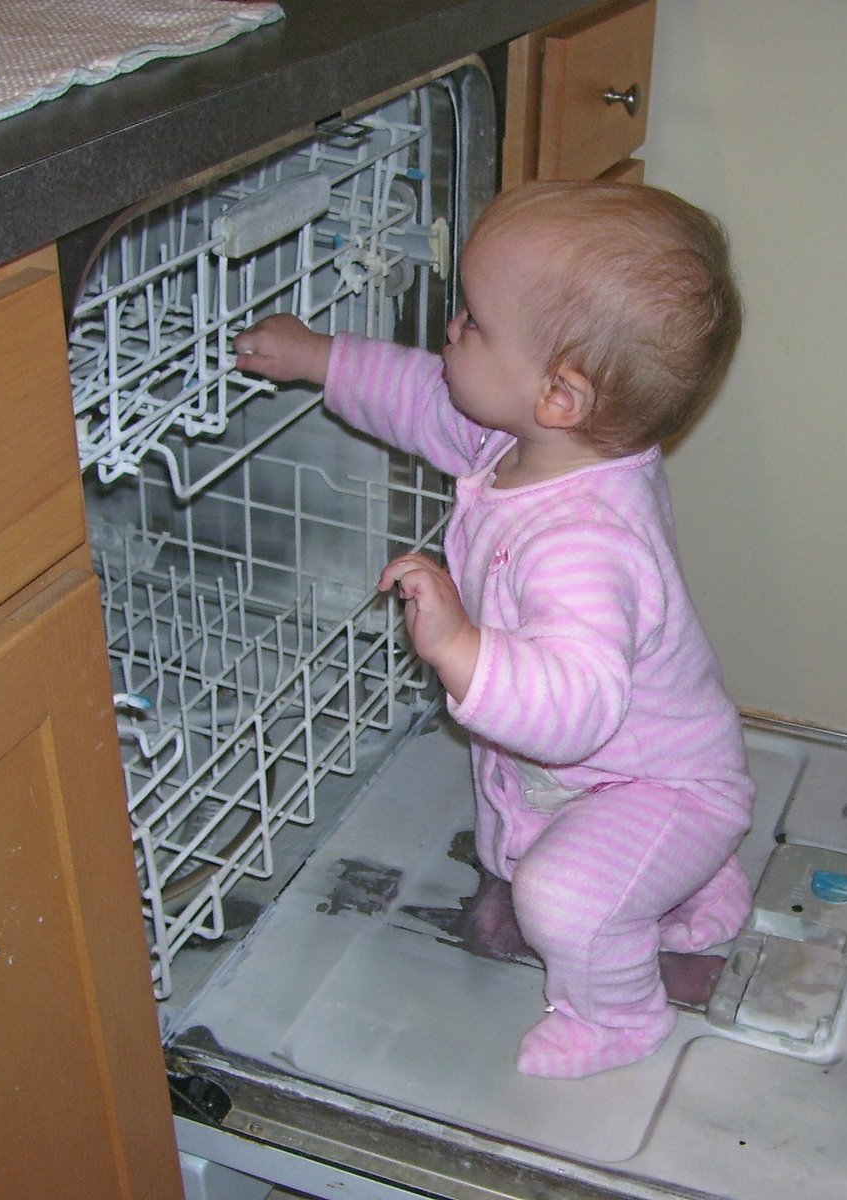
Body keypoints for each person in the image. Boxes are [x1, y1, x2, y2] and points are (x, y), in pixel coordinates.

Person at [233, 180, 753, 1079]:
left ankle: (620, 1017)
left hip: (658, 783)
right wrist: (323, 358)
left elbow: (580, 710)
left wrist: (461, 647)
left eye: (472, 320)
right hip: (611, 774)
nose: (450, 328)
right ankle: (695, 879)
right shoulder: (530, 446)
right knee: (514, 846)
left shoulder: (585, 541)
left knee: (564, 897)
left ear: (560, 393)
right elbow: (427, 399)